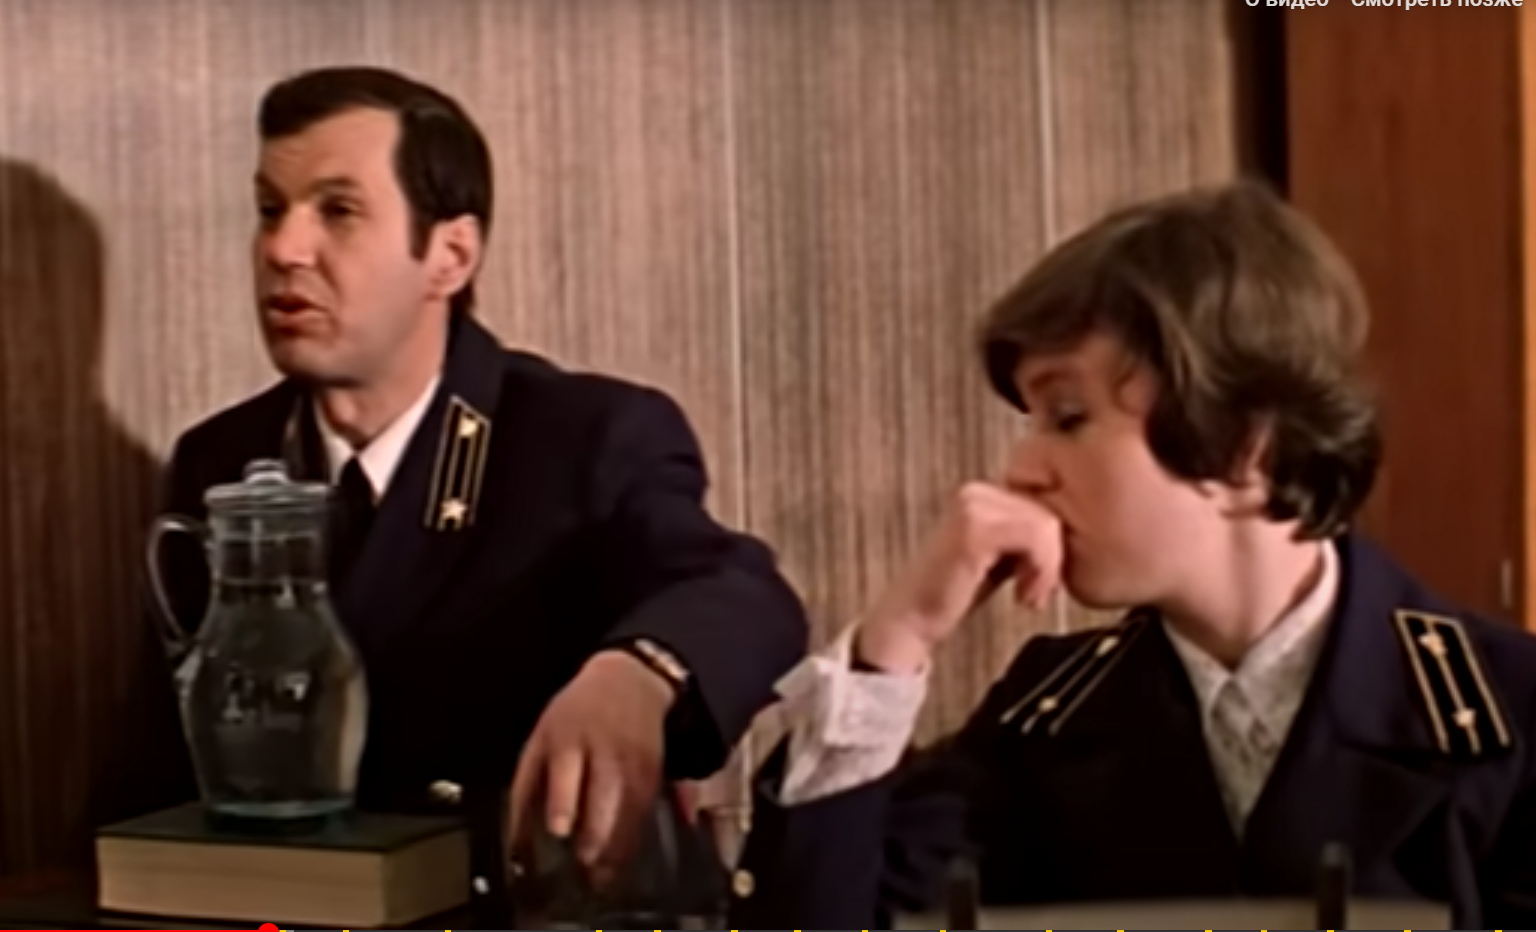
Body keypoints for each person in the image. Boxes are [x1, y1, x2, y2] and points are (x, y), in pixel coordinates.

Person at [726, 181, 1536, 928]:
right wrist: (894, 643)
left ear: (1243, 446)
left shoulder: (1513, 714)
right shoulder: (1049, 720)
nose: (1021, 469)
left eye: (1068, 416)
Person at [152, 65, 807, 905]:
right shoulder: (220, 460)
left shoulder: (584, 438)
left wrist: (639, 671)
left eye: (338, 211)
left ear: (450, 256)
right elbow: (159, 769)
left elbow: (742, 592)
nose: (284, 249)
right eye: (270, 210)